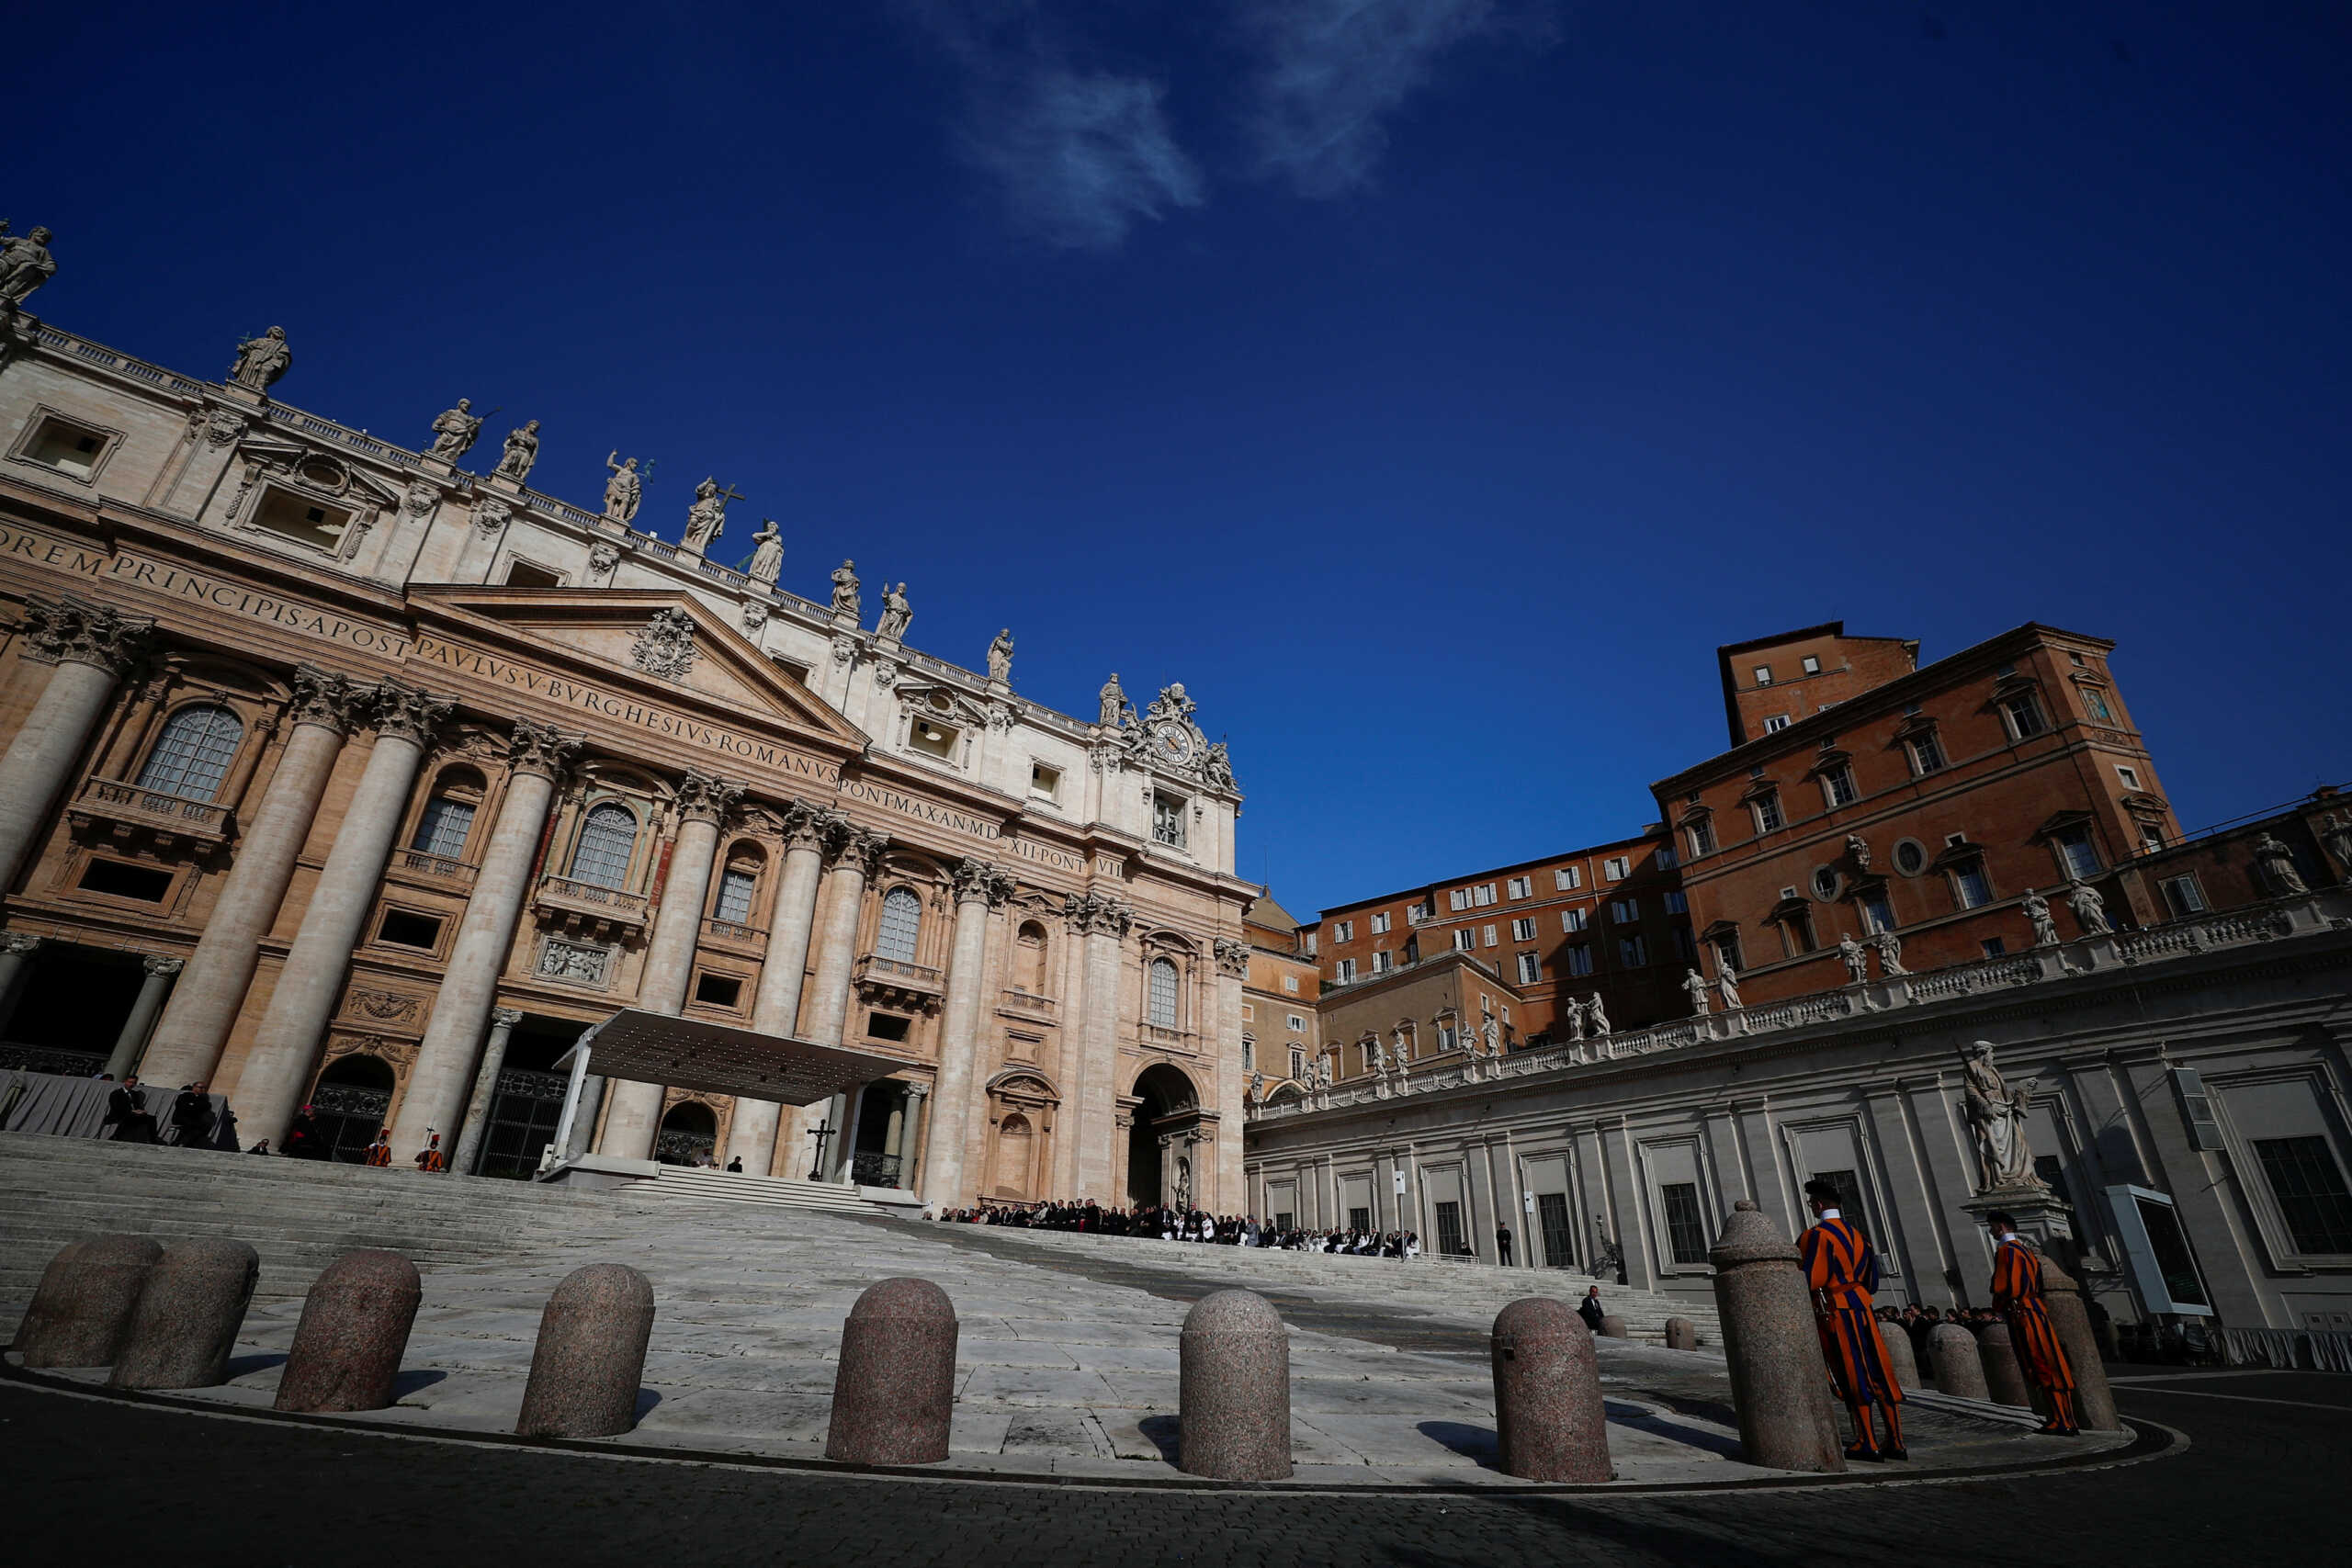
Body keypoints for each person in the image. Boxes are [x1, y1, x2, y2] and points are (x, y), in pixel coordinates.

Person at [1798, 1176, 1907, 1461]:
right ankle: (1895, 1440)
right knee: (1879, 1369)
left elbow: (1810, 1279)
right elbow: (1871, 1282)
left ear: (1818, 1204)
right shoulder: (1860, 1237)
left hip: (1837, 1310)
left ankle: (1866, 1441)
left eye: (1812, 1203)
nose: (1811, 1206)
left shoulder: (1817, 1236)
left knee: (1852, 1371)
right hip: (1864, 1307)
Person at [1985, 1212, 2081, 1435]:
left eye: (1991, 1227)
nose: (1990, 1231)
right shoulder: (2027, 1252)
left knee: (2040, 1365)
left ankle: (2060, 1421)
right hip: (2038, 1311)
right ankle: (2068, 1419)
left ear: (2000, 1227)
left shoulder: (2006, 1252)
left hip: (2023, 1314)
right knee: (2055, 1364)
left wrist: (1999, 1306)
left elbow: (2002, 1287)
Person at [169, 1082, 213, 1148]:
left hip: (194, 1120)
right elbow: (182, 1107)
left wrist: (192, 1106)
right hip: (181, 1118)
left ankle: (186, 1143)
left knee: (204, 1126)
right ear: (194, 1088)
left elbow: (205, 1107)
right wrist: (194, 1107)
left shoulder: (204, 1100)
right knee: (191, 1125)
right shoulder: (184, 1096)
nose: (203, 1090)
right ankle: (179, 1142)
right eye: (201, 1087)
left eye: (205, 1088)